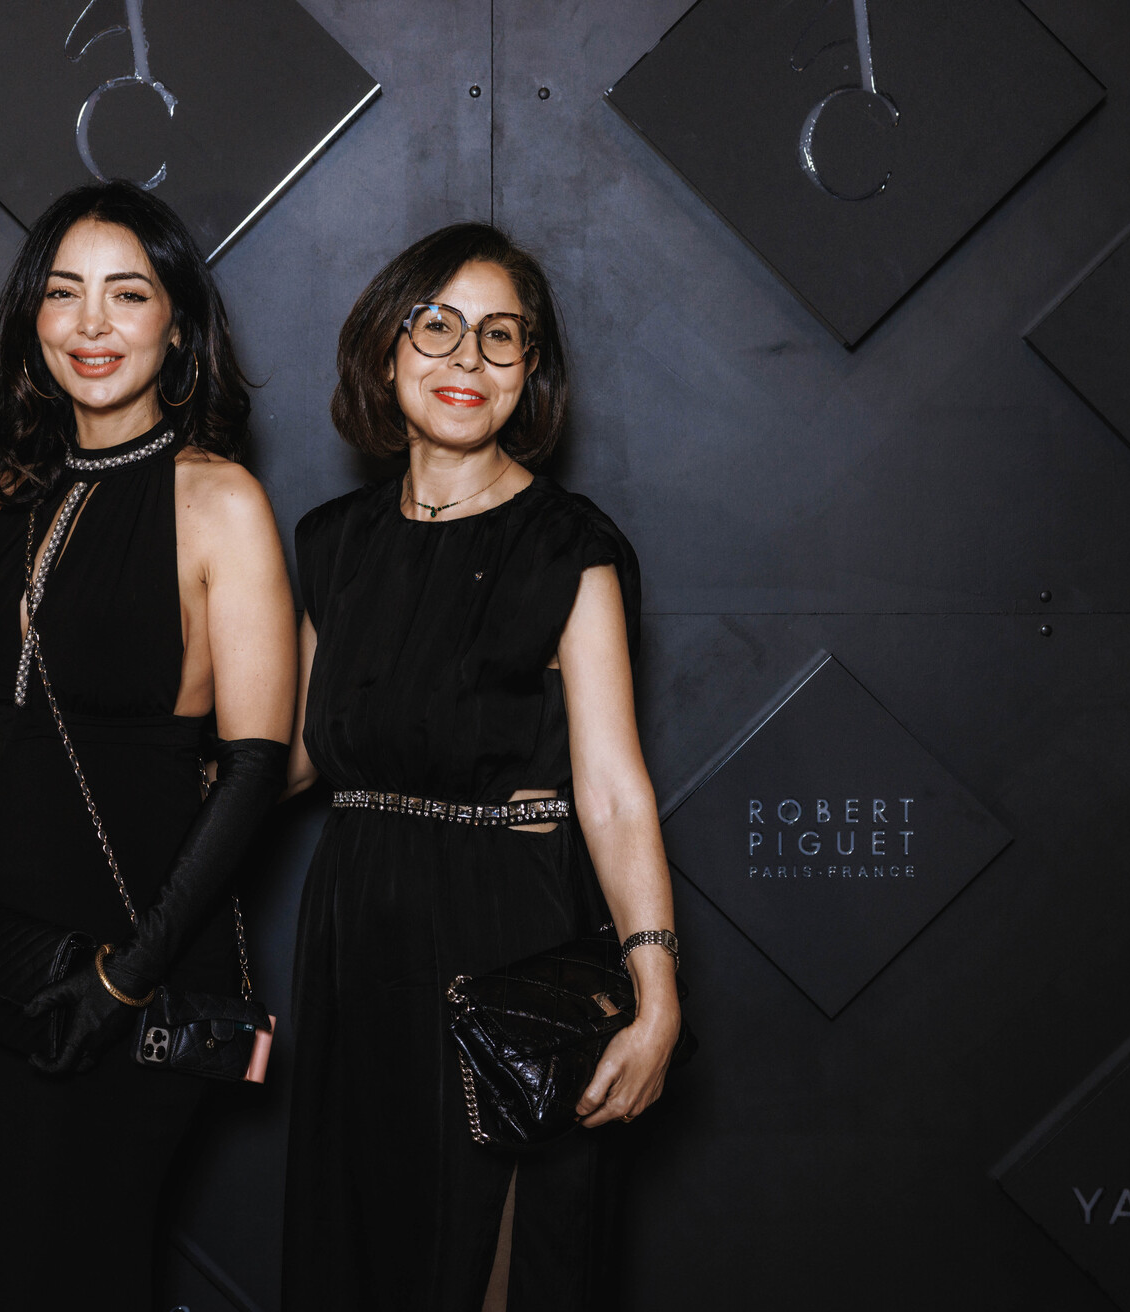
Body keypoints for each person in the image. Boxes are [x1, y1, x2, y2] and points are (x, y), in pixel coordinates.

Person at [0, 181, 295, 1310]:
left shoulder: (219, 503)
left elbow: (255, 766)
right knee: (24, 1267)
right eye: (63, 294)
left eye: (128, 294)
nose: (92, 324)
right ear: (33, 319)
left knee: (89, 1264)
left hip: (137, 956)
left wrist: (122, 980)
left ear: (177, 325)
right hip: (1, 951)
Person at [281, 223, 684, 1310]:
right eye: (437, 327)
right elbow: (292, 758)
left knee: (494, 1265)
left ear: (528, 370)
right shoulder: (331, 542)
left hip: (507, 937)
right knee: (364, 1256)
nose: (467, 357)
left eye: (500, 337)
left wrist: (654, 993)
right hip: (355, 933)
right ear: (385, 350)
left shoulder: (567, 545)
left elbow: (612, 790)